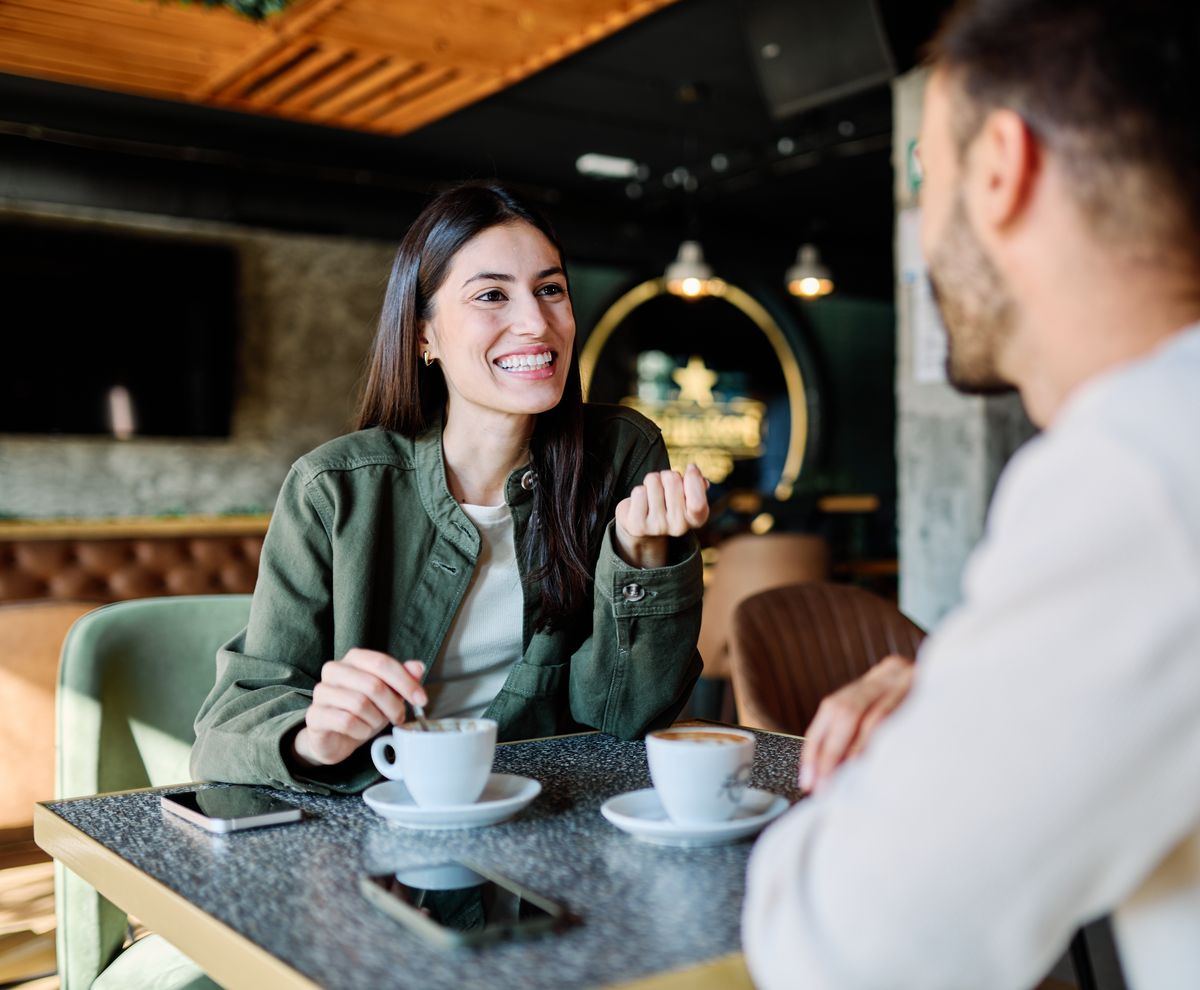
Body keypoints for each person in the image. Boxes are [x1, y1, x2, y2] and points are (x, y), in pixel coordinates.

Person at [742, 1, 1200, 987]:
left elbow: (845, 949)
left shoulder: (1141, 468)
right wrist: (973, 687)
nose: (923, 233)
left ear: (1000, 167)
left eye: (922, 181)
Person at [191, 182, 708, 793]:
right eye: (492, 295)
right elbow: (225, 733)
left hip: (551, 815)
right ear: (422, 336)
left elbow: (627, 720)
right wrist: (313, 737)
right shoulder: (332, 489)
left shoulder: (621, 452)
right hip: (375, 815)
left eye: (551, 290)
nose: (535, 323)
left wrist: (640, 558)